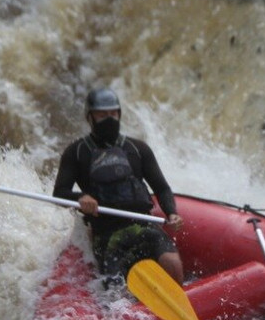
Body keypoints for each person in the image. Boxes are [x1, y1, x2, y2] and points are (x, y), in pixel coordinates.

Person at [52, 88, 184, 284]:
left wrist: (171, 212)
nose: (109, 119)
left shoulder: (138, 149)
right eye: (102, 115)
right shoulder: (76, 153)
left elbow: (162, 188)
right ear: (90, 117)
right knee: (115, 291)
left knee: (172, 263)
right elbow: (59, 193)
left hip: (143, 224)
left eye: (113, 114)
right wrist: (80, 199)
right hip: (106, 232)